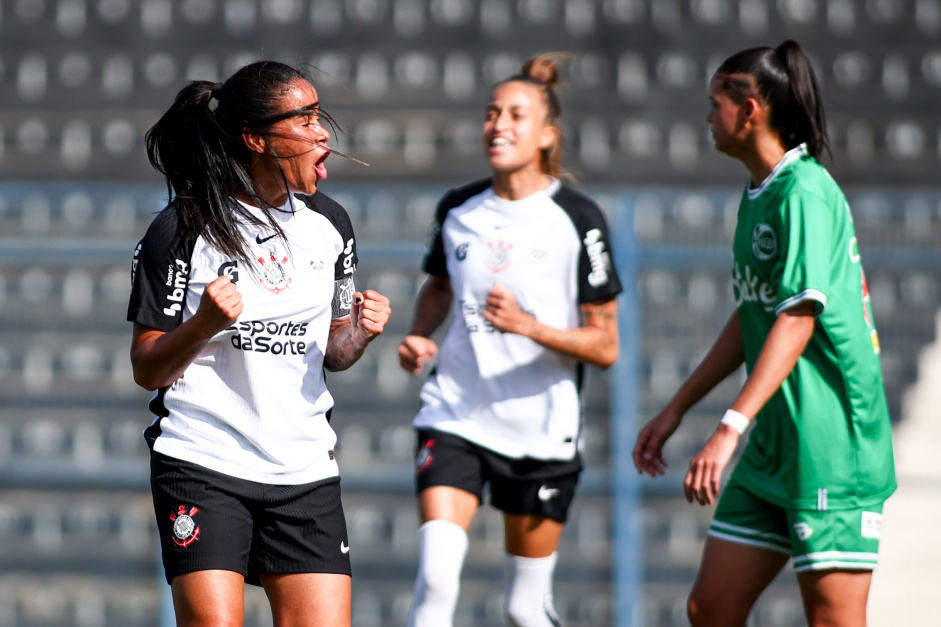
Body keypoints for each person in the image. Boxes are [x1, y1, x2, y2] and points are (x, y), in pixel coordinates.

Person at [633, 40, 896, 627]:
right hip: (776, 444)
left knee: (833, 621)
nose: (707, 116)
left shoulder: (805, 192)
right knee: (711, 607)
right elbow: (752, 314)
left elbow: (797, 318)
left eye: (715, 103)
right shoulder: (760, 194)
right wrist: (677, 408)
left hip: (829, 449)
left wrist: (727, 429)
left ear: (749, 109)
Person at [127, 61, 390, 627]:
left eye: (321, 118)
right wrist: (201, 325)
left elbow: (335, 353)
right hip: (204, 461)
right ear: (255, 138)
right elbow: (147, 367)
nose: (323, 134)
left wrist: (361, 333)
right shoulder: (182, 227)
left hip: (303, 472)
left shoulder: (332, 224)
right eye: (306, 119)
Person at [398, 53, 622, 627]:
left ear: (547, 134)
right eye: (492, 112)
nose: (499, 124)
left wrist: (530, 327)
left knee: (524, 608)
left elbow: (606, 346)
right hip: (456, 417)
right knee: (436, 582)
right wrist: (420, 336)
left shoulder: (578, 217)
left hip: (541, 433)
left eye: (517, 115)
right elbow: (439, 287)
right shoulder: (457, 209)